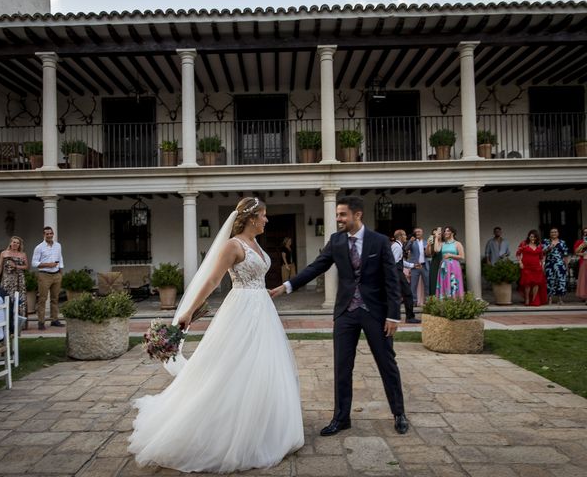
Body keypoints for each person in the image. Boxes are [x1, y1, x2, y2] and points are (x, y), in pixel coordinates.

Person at [128, 197, 304, 473]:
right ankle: (228, 425)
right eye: (264, 216)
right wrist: (189, 311)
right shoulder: (232, 246)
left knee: (263, 365)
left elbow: (256, 276)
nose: (267, 220)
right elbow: (211, 280)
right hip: (241, 310)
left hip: (262, 309)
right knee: (231, 366)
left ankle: (262, 421)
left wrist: (266, 291)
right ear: (252, 218)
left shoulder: (256, 244)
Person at [270, 196, 409, 436]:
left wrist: (393, 316)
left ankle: (399, 413)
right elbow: (316, 267)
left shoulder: (379, 242)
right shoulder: (335, 241)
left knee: (387, 364)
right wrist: (287, 286)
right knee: (342, 367)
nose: (338, 219)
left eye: (342, 214)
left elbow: (392, 281)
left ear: (357, 215)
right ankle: (341, 418)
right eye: (337, 215)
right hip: (345, 313)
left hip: (375, 313)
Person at [32, 226, 64, 330]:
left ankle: (54, 320)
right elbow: (34, 263)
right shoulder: (39, 247)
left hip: (56, 275)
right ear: (44, 235)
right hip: (44, 275)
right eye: (47, 234)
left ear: (53, 234)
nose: (49, 235)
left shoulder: (58, 246)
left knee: (55, 299)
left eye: (51, 233)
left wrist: (60, 272)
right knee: (42, 299)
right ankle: (41, 322)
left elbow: (60, 258)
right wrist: (47, 265)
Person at [392, 230, 421, 324]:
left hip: (398, 272)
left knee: (402, 294)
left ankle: (408, 316)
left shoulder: (398, 246)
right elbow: (394, 262)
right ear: (400, 236)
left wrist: (413, 265)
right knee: (408, 294)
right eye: (404, 235)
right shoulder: (397, 247)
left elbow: (400, 261)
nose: (406, 237)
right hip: (397, 273)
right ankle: (410, 317)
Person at [0, 236, 28, 318]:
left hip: (19, 280)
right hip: (7, 279)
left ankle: (20, 320)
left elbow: (26, 267)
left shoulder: (22, 254)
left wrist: (16, 266)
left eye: (18, 243)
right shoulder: (4, 253)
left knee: (19, 299)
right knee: (7, 297)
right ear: (10, 243)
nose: (15, 244)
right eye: (14, 242)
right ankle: (6, 319)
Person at [516, 230, 547, 306]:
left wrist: (542, 265)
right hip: (526, 266)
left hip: (537, 267)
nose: (532, 238)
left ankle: (533, 299)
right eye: (531, 236)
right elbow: (518, 254)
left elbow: (541, 257)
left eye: (534, 236)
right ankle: (527, 299)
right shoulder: (524, 244)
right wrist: (520, 263)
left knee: (536, 283)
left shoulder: (539, 245)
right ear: (529, 236)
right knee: (527, 283)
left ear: (537, 237)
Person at [434, 226, 465, 299]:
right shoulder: (442, 243)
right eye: (445, 231)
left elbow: (462, 256)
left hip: (454, 266)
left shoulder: (457, 244)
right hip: (444, 267)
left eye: (448, 231)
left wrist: (450, 255)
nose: (445, 232)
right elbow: (436, 250)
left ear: (452, 233)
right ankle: (444, 300)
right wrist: (436, 238)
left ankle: (455, 300)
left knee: (453, 283)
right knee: (444, 282)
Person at [542, 228, 569, 305]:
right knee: (550, 281)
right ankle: (549, 298)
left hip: (560, 264)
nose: (554, 233)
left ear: (558, 233)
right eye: (552, 232)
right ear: (550, 234)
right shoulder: (546, 241)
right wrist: (548, 248)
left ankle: (560, 299)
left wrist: (566, 265)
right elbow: (542, 252)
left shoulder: (562, 242)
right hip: (549, 264)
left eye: (555, 232)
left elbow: (566, 255)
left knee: (561, 281)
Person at [404, 227, 429, 305]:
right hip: (415, 266)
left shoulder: (426, 242)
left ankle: (427, 300)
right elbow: (406, 249)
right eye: (416, 232)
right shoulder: (412, 242)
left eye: (419, 232)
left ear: (422, 233)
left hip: (424, 265)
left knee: (427, 284)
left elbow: (428, 253)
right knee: (413, 285)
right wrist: (410, 241)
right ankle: (414, 301)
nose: (418, 233)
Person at [426, 227, 442, 296]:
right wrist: (428, 245)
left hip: (444, 263)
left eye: (438, 234)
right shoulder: (432, 244)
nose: (436, 235)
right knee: (434, 280)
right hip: (435, 263)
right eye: (434, 234)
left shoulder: (445, 243)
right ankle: (433, 297)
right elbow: (428, 254)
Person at [574, 227, 587, 302]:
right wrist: (582, 245)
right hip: (584, 261)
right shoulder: (580, 242)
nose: (586, 233)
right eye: (585, 232)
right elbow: (576, 252)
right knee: (584, 280)